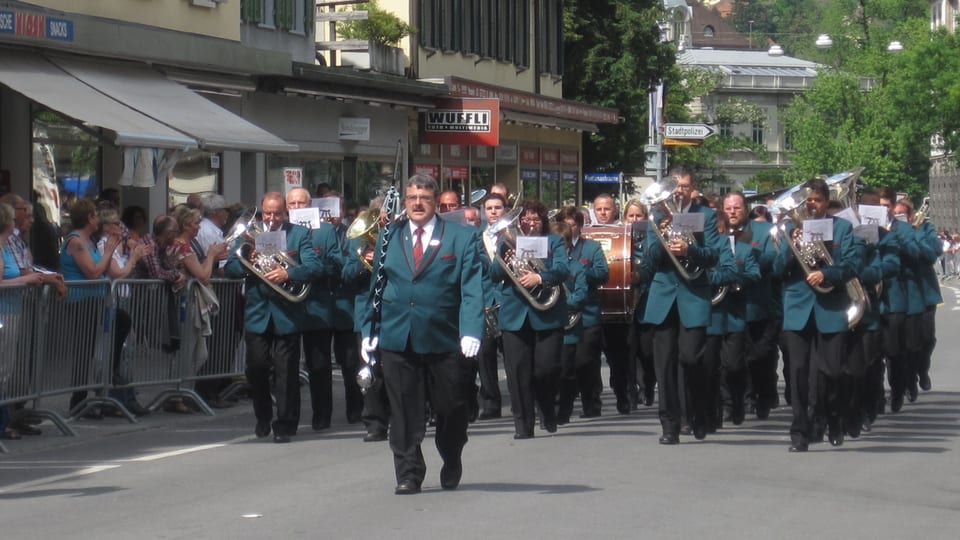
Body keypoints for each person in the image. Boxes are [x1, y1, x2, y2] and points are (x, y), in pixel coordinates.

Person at [360, 174, 483, 494]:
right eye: (412, 198)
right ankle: (408, 472)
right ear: (405, 201)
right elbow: (376, 288)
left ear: (435, 202)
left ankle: (451, 454)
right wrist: (368, 330)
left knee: (451, 408)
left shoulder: (460, 237)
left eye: (424, 198)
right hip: (398, 337)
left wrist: (471, 330)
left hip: (444, 338)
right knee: (402, 409)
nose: (417, 204)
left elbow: (471, 289)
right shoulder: (389, 235)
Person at [641, 166, 728, 444]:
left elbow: (714, 255)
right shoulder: (657, 216)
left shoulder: (706, 215)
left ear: (693, 189)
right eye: (675, 186)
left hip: (693, 294)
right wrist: (664, 241)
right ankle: (669, 424)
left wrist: (689, 250)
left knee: (691, 359)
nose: (679, 191)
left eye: (685, 186)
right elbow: (650, 258)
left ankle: (697, 413)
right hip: (664, 297)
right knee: (664, 365)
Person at [225, 192, 321, 443]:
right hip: (258, 313)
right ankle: (263, 416)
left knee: (286, 372)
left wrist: (288, 273)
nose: (271, 218)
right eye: (267, 213)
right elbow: (230, 269)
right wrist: (248, 260)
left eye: (277, 213)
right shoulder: (252, 234)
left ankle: (285, 424)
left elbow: (314, 266)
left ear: (285, 213)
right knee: (256, 369)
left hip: (287, 313)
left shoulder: (299, 234)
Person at [774, 177, 857, 451]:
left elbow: (851, 265)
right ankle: (799, 431)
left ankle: (833, 417)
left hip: (830, 305)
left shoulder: (843, 228)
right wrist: (790, 245)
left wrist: (826, 273)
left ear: (826, 203)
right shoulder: (789, 229)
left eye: (816, 200)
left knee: (831, 372)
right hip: (798, 307)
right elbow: (776, 269)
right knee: (797, 373)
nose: (811, 206)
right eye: (806, 201)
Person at [491, 199, 568, 439]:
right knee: (517, 372)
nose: (530, 223)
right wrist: (505, 258)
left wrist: (540, 277)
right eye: (525, 219)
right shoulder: (506, 243)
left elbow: (563, 269)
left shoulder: (554, 241)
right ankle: (523, 425)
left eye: (536, 219)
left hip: (547, 311)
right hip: (515, 313)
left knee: (546, 369)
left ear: (543, 222)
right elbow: (494, 274)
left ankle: (546, 408)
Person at [285, 188, 353, 430]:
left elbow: (336, 264)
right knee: (298, 367)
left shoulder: (324, 231)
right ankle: (291, 415)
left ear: (309, 205)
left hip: (319, 304)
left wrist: (313, 268)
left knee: (320, 363)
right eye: (292, 204)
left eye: (300, 203)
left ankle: (322, 414)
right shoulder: (282, 232)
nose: (296, 208)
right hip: (291, 306)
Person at [723, 192, 780, 420]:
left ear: (745, 209)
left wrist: (747, 257)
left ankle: (763, 395)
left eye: (737, 207)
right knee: (731, 361)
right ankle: (731, 402)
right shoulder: (717, 232)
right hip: (728, 307)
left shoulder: (763, 231)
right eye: (728, 208)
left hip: (757, 305)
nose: (733, 212)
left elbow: (772, 260)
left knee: (760, 357)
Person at [61, 199, 120, 418]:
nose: (98, 219)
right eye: (95, 215)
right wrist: (109, 253)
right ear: (88, 217)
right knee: (83, 352)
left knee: (119, 323)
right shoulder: (76, 241)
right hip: (80, 302)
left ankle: (100, 388)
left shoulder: (89, 240)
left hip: (95, 300)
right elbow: (93, 272)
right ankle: (78, 401)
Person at [555, 206, 608, 421]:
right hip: (562, 317)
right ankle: (563, 408)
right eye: (565, 224)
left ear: (580, 226)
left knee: (586, 362)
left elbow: (603, 273)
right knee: (566, 364)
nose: (569, 228)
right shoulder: (553, 247)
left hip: (587, 314)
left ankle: (591, 403)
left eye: (573, 224)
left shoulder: (591, 247)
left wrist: (580, 271)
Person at [97, 208, 152, 417]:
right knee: (116, 352)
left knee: (126, 352)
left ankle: (125, 397)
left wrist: (133, 252)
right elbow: (117, 273)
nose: (120, 228)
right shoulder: (104, 245)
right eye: (114, 224)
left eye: (120, 224)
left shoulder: (121, 246)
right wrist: (134, 259)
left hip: (124, 300)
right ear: (105, 228)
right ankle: (116, 399)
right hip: (114, 301)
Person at [477, 193, 508, 419]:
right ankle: (490, 403)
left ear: (505, 210)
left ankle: (521, 400)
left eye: (498, 207)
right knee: (485, 356)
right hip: (486, 301)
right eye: (489, 208)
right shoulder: (476, 237)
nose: (494, 211)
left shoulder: (513, 236)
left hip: (509, 301)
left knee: (513, 356)